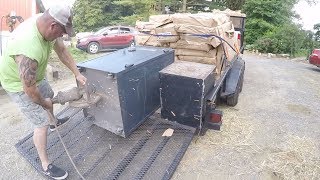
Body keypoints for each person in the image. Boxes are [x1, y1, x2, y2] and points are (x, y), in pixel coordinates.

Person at [0, 4, 86, 180]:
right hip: (18, 84)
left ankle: (54, 122)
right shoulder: (27, 47)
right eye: (61, 32)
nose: (62, 36)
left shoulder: (47, 23)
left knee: (50, 95)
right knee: (40, 122)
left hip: (36, 77)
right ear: (53, 26)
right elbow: (30, 91)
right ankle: (46, 164)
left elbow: (61, 50)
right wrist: (43, 103)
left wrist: (77, 74)